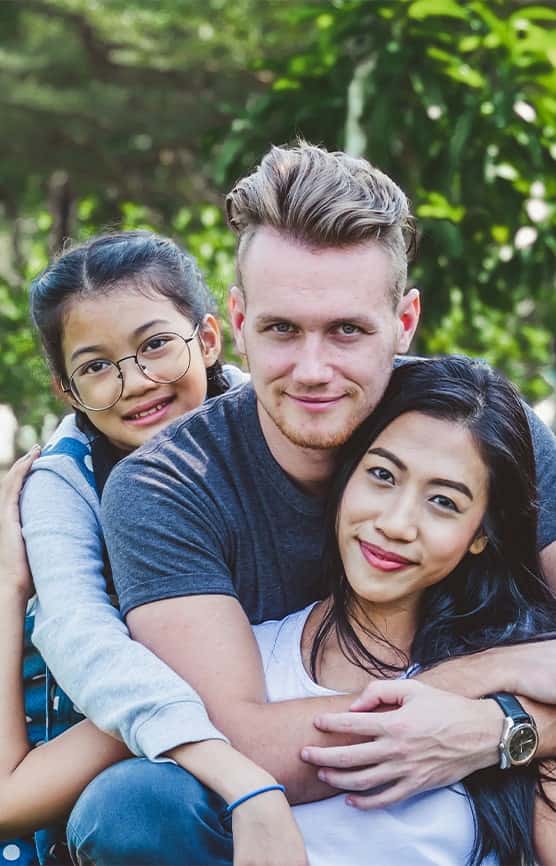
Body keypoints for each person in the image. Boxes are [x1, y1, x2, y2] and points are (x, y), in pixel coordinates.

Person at [63, 142, 556, 865]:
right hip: (262, 828)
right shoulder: (168, 486)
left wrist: (495, 718)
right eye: (282, 330)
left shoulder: (471, 429)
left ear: (405, 320)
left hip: (473, 808)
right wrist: (448, 696)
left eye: (348, 331)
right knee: (136, 804)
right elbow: (237, 739)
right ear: (236, 321)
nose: (314, 370)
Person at [3, 356, 556, 866]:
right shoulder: (225, 673)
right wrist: (7, 587)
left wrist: (495, 694)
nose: (396, 522)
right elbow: (13, 794)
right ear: (343, 479)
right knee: (127, 802)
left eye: (444, 502)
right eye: (382, 476)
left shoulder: (524, 682)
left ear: (480, 535)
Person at [4, 230, 307, 866]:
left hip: (265, 681)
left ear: (208, 338)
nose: (135, 382)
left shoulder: (274, 416)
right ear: (68, 390)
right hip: (131, 707)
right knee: (132, 809)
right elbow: (78, 632)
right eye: (95, 367)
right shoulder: (64, 480)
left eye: (155, 346)